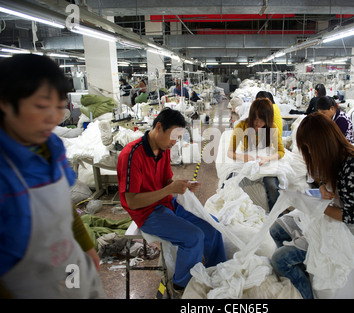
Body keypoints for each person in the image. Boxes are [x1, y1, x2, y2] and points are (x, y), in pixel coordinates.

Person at [0, 54, 104, 298]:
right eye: (41, 106)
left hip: (68, 262)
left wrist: (87, 249)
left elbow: (63, 206)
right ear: (5, 102)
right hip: (25, 284)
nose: (54, 117)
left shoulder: (51, 148)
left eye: (59, 106)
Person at [116, 107, 226, 296]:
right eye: (173, 136)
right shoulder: (132, 154)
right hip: (147, 213)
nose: (175, 143)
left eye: (178, 138)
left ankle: (216, 272)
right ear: (158, 127)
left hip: (166, 203)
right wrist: (169, 189)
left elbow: (166, 182)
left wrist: (182, 185)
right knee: (193, 237)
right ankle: (180, 286)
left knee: (213, 227)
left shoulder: (163, 149)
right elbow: (132, 202)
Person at [270, 112, 354, 299]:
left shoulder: (353, 167)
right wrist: (322, 188)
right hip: (335, 211)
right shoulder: (336, 157)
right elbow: (322, 180)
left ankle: (306, 293)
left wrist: (310, 205)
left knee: (279, 260)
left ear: (322, 143)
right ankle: (303, 270)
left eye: (310, 147)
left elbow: (350, 217)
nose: (310, 152)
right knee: (276, 230)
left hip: (353, 227)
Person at [227, 98, 285, 211]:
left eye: (262, 119)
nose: (257, 122)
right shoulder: (241, 126)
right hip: (247, 157)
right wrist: (243, 157)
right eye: (255, 118)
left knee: (272, 186)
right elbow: (230, 152)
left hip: (265, 158)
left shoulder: (272, 127)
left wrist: (267, 158)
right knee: (230, 183)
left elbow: (281, 151)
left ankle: (275, 216)